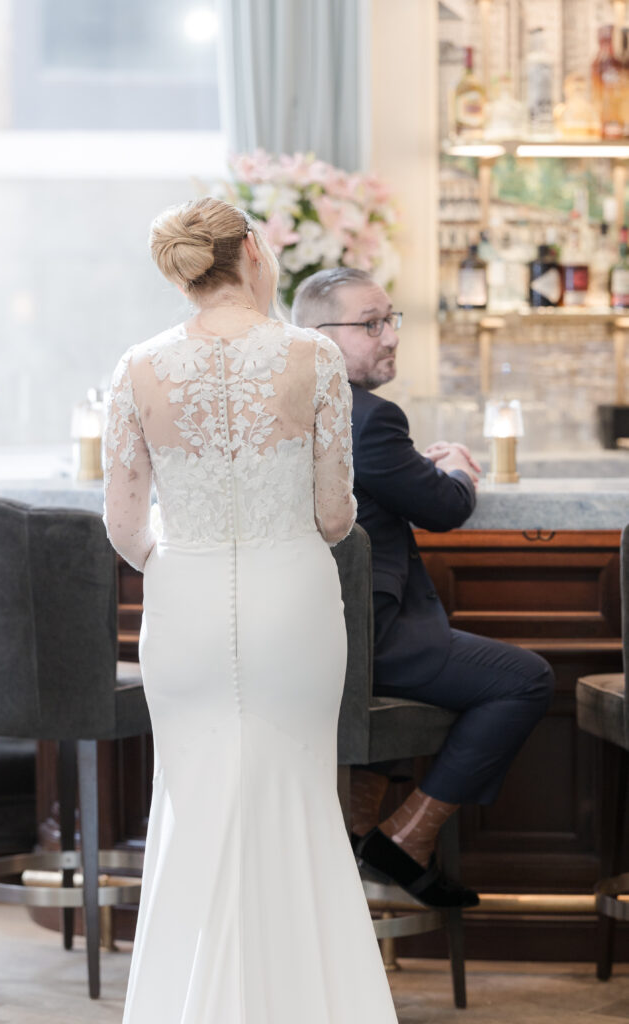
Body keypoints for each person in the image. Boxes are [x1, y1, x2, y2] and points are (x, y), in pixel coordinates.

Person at [103, 200, 398, 1023]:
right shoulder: (313, 356)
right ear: (252, 253)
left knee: (193, 796)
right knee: (297, 792)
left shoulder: (136, 367)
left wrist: (189, 557)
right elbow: (335, 517)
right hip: (290, 596)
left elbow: (125, 530)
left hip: (185, 601)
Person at [292, 267, 555, 909]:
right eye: (371, 323)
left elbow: (393, 482)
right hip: (371, 643)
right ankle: (405, 841)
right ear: (318, 336)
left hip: (306, 644)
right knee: (526, 679)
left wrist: (425, 469)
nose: (390, 336)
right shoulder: (370, 417)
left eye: (391, 320)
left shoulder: (282, 408)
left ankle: (356, 838)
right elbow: (443, 508)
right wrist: (461, 468)